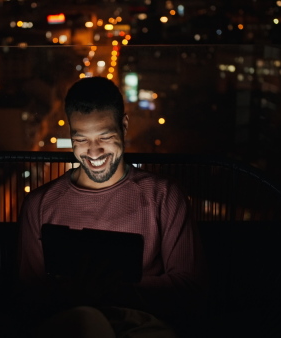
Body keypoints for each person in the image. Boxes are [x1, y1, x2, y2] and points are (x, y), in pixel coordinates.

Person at [15, 76, 207, 337]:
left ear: (124, 127)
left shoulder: (163, 196)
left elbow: (188, 287)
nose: (93, 152)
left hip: (140, 324)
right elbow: (31, 294)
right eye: (81, 139)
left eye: (105, 137)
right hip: (72, 323)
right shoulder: (39, 204)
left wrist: (114, 291)